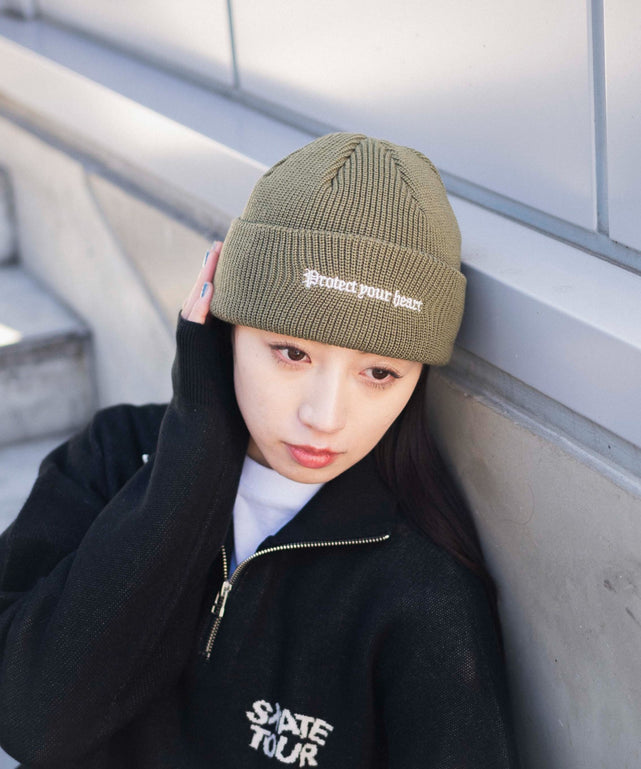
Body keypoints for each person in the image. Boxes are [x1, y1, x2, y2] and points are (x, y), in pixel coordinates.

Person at [0, 133, 520, 768]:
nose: (324, 417)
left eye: (379, 373)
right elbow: (29, 720)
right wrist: (192, 456)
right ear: (224, 325)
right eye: (293, 352)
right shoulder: (115, 456)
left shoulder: (422, 590)